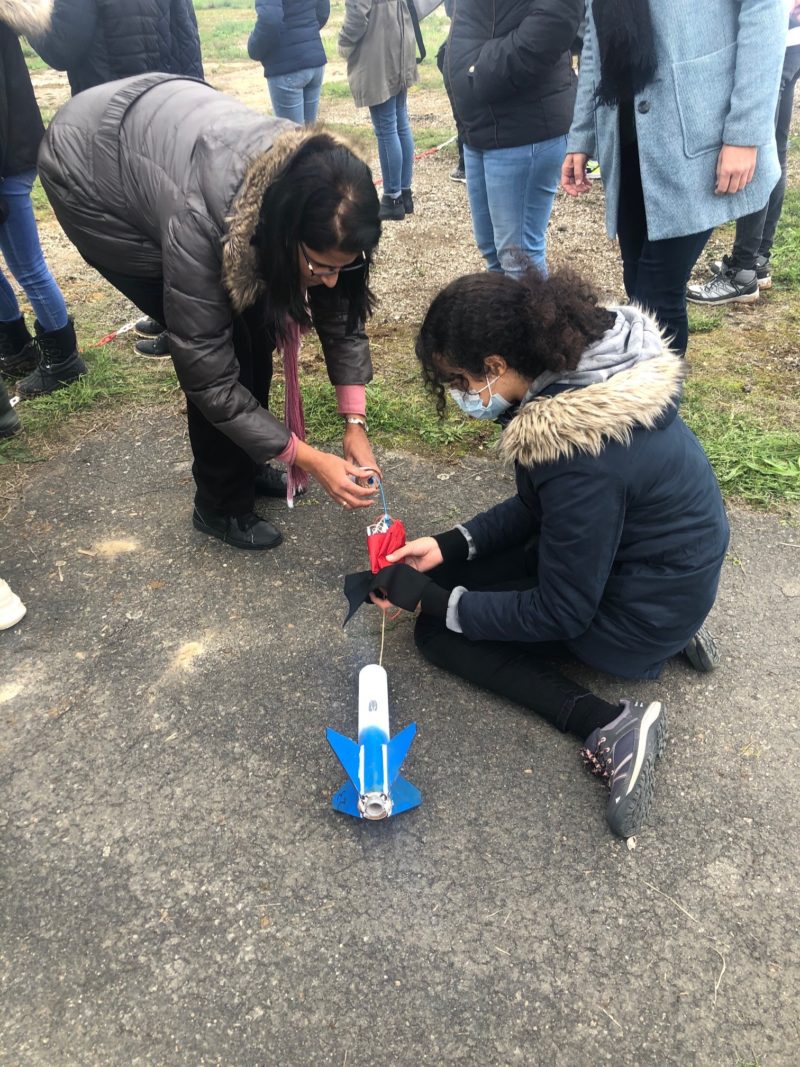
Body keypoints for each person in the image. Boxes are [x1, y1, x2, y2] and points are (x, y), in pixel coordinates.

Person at [368, 269, 730, 838]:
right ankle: (676, 621)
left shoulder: (579, 456)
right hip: (668, 566)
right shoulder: (594, 375)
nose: (464, 397)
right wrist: (448, 547)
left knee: (439, 634)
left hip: (636, 610)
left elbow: (561, 613)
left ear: (495, 365)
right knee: (461, 575)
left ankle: (609, 724)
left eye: (461, 380)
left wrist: (433, 606)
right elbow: (542, 510)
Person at [38, 74, 383, 550]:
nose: (328, 280)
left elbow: (340, 310)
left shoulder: (324, 191)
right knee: (232, 345)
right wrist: (305, 456)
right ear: (284, 236)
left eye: (340, 268)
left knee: (258, 324)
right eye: (319, 266)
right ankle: (220, 506)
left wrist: (354, 423)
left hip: (159, 132)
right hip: (90, 174)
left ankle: (250, 452)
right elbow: (210, 377)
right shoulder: (200, 224)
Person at [562, 0, 786, 356]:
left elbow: (765, 11)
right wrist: (582, 135)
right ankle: (647, 398)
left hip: (699, 130)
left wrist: (745, 132)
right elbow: (595, 38)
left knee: (656, 294)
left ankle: (656, 409)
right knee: (637, 281)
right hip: (626, 138)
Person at [27, 0, 205, 361]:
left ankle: (187, 326)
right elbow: (187, 33)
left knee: (144, 224)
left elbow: (63, 45)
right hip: (165, 102)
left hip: (113, 113)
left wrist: (28, 15)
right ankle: (178, 316)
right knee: (169, 214)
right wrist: (193, 93)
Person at [444, 0, 584, 277]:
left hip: (525, 129)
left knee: (519, 260)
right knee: (494, 254)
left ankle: (531, 321)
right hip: (480, 125)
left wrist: (477, 70)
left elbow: (556, 18)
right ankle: (506, 320)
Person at [688, 4, 800, 306]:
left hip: (767, 42)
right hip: (788, 41)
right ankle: (758, 259)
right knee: (774, 149)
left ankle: (743, 270)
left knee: (759, 151)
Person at [0, 0, 85, 397]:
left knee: (27, 265)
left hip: (7, 161)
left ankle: (63, 355)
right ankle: (15, 342)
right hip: (12, 152)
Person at [339, 0, 418, 222]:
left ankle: (392, 198)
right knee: (400, 122)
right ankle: (404, 193)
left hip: (380, 47)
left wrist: (344, 41)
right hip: (400, 40)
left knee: (386, 128)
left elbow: (357, 12)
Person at [248, 0, 329, 126]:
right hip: (314, 60)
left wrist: (254, 48)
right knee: (310, 138)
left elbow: (270, 20)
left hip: (287, 68)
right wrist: (306, 33)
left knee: (293, 139)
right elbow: (323, 11)